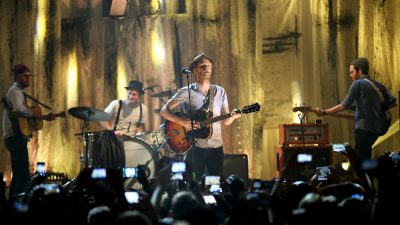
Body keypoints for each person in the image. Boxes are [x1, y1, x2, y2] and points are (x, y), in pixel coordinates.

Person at [160, 53, 241, 181]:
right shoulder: (186, 91)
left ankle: (212, 201)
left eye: (208, 66)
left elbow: (226, 121)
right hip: (196, 147)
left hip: (216, 147)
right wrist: (181, 121)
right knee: (197, 183)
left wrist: (233, 116)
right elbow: (164, 111)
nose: (206, 69)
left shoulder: (220, 91)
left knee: (215, 183)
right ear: (194, 70)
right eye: (202, 66)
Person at [315, 57, 396, 161]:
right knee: (365, 158)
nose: (350, 75)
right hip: (378, 130)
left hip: (364, 129)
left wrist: (324, 112)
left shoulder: (358, 83)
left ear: (360, 71)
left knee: (359, 161)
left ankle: (366, 176)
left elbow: (343, 105)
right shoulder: (378, 85)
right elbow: (393, 103)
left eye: (352, 72)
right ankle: (369, 176)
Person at [2, 64, 55, 199]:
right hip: (14, 137)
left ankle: (15, 203)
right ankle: (15, 205)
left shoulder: (18, 92)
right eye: (25, 75)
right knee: (21, 174)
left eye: (29, 75)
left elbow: (21, 114)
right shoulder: (15, 91)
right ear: (17, 76)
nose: (28, 78)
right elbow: (20, 109)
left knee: (21, 173)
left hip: (16, 137)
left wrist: (39, 118)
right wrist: (38, 115)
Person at [94, 80, 149, 169]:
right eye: (129, 93)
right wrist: (111, 130)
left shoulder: (144, 109)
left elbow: (141, 127)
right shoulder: (116, 104)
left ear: (140, 96)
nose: (130, 96)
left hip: (132, 140)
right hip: (115, 140)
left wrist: (138, 132)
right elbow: (102, 119)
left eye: (134, 94)